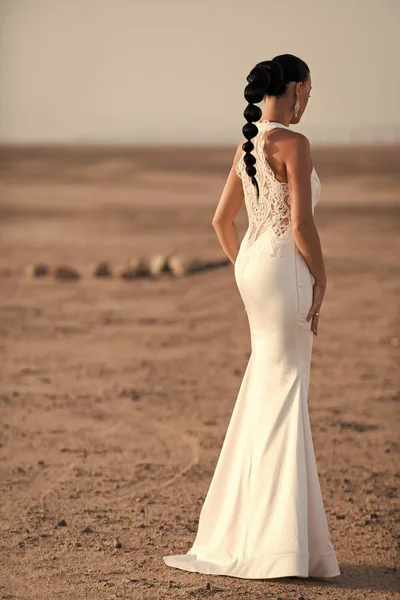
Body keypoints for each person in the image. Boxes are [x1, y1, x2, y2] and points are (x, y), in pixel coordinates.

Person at [163, 53, 341, 580]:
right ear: (297, 89)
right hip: (284, 269)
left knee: (267, 389)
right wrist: (323, 279)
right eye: (308, 91)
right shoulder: (295, 143)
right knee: (287, 393)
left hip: (255, 270)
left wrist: (247, 265)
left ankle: (259, 536)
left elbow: (222, 221)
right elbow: (304, 227)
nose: (308, 99)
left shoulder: (247, 144)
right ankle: (281, 546)